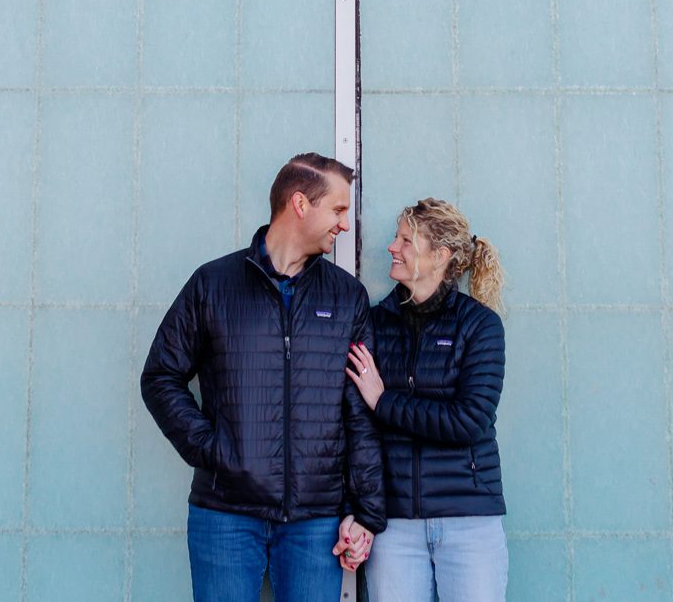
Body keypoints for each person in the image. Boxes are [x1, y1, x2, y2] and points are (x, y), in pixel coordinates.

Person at [142, 152, 387, 601]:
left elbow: (359, 413)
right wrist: (211, 448)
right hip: (225, 515)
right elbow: (160, 376)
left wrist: (366, 512)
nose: (345, 224)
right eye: (337, 209)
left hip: (316, 522)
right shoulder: (213, 285)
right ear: (299, 204)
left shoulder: (347, 297)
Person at [345, 197, 508, 602]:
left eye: (404, 240)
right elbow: (354, 428)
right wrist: (356, 510)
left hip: (469, 521)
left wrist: (384, 403)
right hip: (395, 525)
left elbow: (468, 421)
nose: (391, 247)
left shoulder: (480, 326)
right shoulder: (376, 324)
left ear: (439, 255)